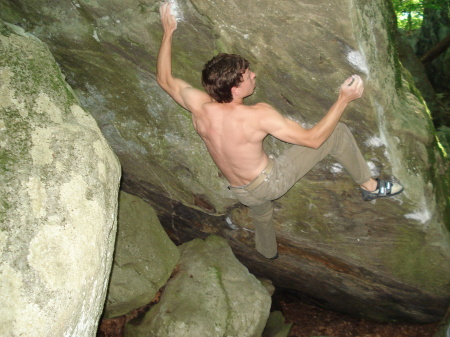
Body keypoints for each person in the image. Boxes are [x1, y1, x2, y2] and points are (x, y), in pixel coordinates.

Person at [156, 2, 404, 259]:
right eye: (247, 75)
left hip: (239, 190)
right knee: (338, 133)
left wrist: (168, 31)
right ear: (235, 89)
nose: (254, 75)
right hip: (269, 183)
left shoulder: (200, 107)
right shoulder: (257, 115)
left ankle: (267, 252)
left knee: (261, 210)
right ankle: (370, 186)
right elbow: (314, 140)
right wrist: (344, 99)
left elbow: (164, 79)